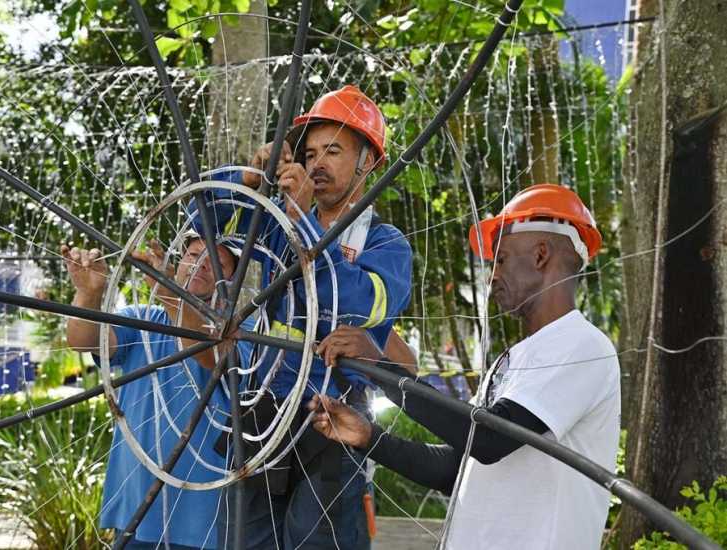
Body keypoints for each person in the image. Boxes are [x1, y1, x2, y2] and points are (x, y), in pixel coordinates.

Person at [309, 184, 621, 550]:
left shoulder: (581, 345)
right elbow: (457, 468)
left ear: (540, 255)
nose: (492, 277)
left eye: (501, 259)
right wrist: (368, 438)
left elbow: (490, 440)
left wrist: (383, 366)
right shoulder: (516, 359)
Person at [193, 85, 413, 549]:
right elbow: (200, 221)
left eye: (334, 150)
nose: (317, 164)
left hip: (331, 422)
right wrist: (251, 176)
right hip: (265, 416)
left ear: (369, 161)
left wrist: (301, 220)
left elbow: (345, 302)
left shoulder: (386, 245)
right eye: (310, 152)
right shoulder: (282, 224)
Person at [63, 233, 250, 550]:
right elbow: (86, 340)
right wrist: (88, 295)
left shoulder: (243, 329)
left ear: (232, 279)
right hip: (138, 505)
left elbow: (210, 355)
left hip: (206, 518)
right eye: (192, 254)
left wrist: (169, 295)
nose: (201, 264)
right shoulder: (143, 319)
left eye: (217, 262)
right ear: (178, 263)